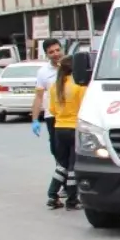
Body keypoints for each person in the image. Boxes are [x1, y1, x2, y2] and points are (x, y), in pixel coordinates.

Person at [46, 56, 86, 211]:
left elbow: (52, 110)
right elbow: (84, 108)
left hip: (59, 128)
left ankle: (52, 195)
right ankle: (72, 200)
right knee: (72, 166)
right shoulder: (79, 86)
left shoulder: (55, 87)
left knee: (61, 165)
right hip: (74, 128)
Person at [30, 38, 64, 160]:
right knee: (56, 149)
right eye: (51, 52)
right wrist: (35, 120)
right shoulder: (43, 72)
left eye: (58, 50)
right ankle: (61, 173)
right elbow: (39, 97)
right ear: (47, 54)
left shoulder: (72, 67)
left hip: (71, 115)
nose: (56, 54)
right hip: (52, 116)